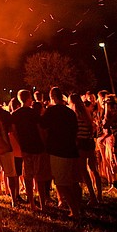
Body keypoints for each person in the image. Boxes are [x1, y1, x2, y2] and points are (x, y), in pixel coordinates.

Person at [40, 87, 83, 219]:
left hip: (58, 150)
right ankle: (79, 206)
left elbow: (42, 125)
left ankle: (74, 211)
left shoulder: (51, 111)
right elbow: (76, 130)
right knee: (74, 181)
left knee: (61, 182)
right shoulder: (70, 112)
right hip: (71, 149)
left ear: (52, 96)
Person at [10, 89, 51, 211]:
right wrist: (44, 144)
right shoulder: (34, 113)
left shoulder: (15, 114)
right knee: (40, 177)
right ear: (28, 98)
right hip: (37, 147)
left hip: (25, 148)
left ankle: (32, 204)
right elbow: (40, 129)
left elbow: (14, 131)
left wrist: (20, 145)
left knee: (28, 177)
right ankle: (43, 204)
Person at [69, 92, 103, 204]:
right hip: (89, 142)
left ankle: (93, 196)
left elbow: (74, 130)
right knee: (94, 169)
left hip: (81, 143)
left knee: (84, 170)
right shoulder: (86, 112)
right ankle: (99, 195)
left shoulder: (74, 114)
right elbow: (93, 127)